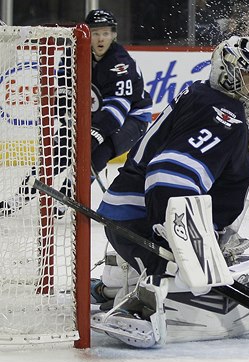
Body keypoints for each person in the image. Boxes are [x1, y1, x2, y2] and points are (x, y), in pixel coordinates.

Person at [91, 35, 249, 348]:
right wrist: (181, 233)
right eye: (248, 79)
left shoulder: (202, 92)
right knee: (236, 178)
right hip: (145, 215)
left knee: (236, 172)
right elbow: (169, 171)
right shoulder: (226, 115)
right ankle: (145, 305)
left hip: (121, 211)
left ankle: (113, 282)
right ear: (228, 74)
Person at [0, 9, 153, 217]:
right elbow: (64, 90)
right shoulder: (73, 54)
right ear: (87, 33)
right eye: (96, 32)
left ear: (114, 35)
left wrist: (95, 134)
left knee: (99, 151)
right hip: (93, 113)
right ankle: (20, 197)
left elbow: (118, 108)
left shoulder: (120, 64)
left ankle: (67, 196)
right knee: (57, 152)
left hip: (131, 118)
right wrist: (65, 118)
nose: (101, 38)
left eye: (106, 33)